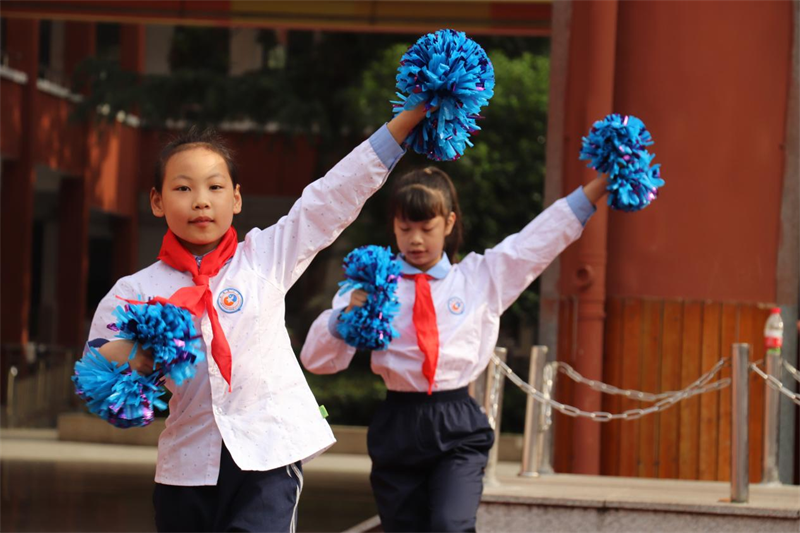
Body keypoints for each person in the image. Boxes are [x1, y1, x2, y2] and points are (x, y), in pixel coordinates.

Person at [84, 106, 428, 532]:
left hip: (269, 453)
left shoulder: (265, 257)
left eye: (215, 186)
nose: (201, 200)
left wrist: (403, 124)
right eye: (183, 188)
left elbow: (330, 198)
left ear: (237, 198)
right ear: (157, 201)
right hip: (186, 467)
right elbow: (97, 372)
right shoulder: (134, 291)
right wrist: (145, 346)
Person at [301, 166, 608, 531]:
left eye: (426, 228)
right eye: (405, 228)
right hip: (398, 422)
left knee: (451, 525)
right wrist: (345, 317)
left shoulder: (481, 277)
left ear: (448, 223)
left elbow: (536, 241)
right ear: (394, 226)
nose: (415, 240)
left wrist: (597, 187)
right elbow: (316, 360)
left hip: (457, 422)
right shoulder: (372, 285)